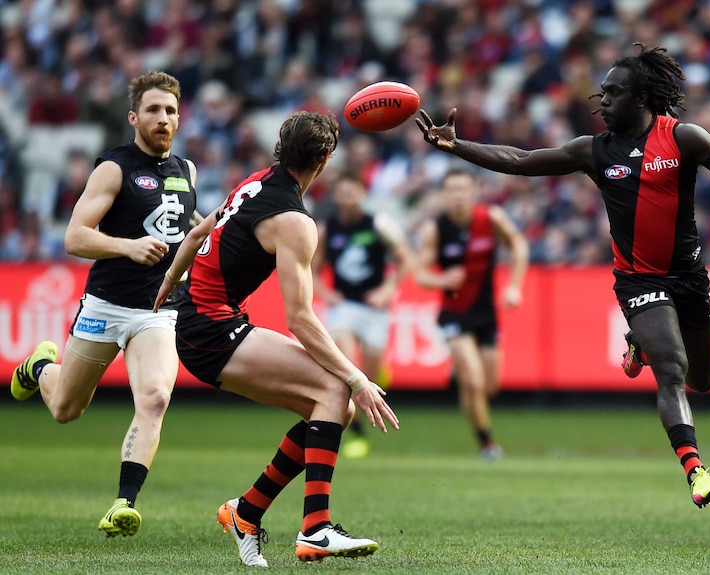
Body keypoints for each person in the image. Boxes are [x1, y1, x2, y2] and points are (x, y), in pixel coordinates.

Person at [416, 44, 710, 506]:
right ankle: (696, 470)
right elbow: (520, 160)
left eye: (613, 92)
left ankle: (639, 343)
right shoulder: (593, 151)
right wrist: (458, 145)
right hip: (638, 282)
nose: (602, 100)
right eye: (601, 92)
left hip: (689, 278)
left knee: (702, 379)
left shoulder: (684, 138)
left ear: (642, 98)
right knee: (672, 370)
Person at [153, 111, 399, 568]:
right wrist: (359, 377)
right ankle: (316, 528)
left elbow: (199, 231)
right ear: (324, 160)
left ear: (281, 149)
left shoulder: (256, 181)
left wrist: (170, 281)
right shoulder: (295, 222)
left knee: (332, 408)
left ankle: (246, 512)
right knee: (337, 389)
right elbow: (301, 320)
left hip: (202, 321)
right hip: (211, 329)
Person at [10, 71, 198, 536]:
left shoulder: (187, 171)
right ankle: (40, 368)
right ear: (134, 117)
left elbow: (187, 224)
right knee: (66, 410)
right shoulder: (114, 168)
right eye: (153, 110)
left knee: (154, 398)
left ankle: (123, 503)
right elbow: (75, 237)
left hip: (157, 310)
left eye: (171, 110)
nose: (163, 118)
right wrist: (129, 246)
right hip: (106, 306)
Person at [413, 168, 528, 461]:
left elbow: (519, 245)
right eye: (452, 190)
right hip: (454, 313)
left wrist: (515, 286)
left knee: (489, 386)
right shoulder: (435, 229)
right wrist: (442, 280)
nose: (458, 196)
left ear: (474, 191)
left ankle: (459, 375)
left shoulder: (490, 219)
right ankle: (487, 442)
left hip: (486, 312)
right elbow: (420, 274)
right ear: (443, 194)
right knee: (474, 382)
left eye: (463, 189)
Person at [312, 172, 415, 459]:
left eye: (353, 192)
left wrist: (386, 289)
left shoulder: (378, 224)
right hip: (343, 308)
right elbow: (313, 268)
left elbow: (407, 260)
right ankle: (357, 433)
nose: (348, 198)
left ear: (362, 195)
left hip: (374, 309)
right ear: (336, 196)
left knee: (369, 375)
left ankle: (379, 373)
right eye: (342, 192)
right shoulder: (327, 229)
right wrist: (326, 293)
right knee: (349, 370)